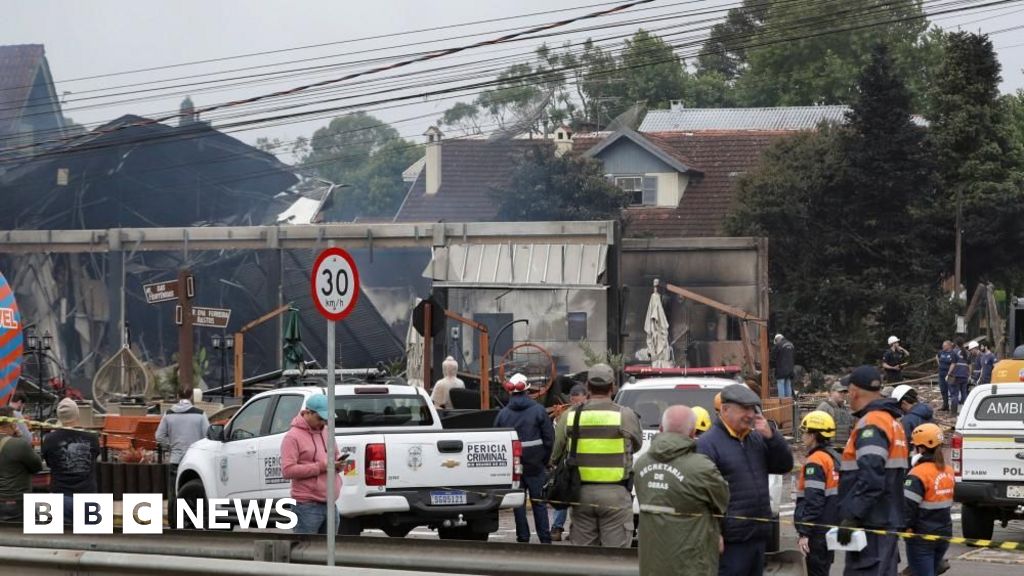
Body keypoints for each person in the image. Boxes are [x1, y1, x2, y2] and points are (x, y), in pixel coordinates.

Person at [697, 384, 794, 576]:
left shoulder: (756, 438)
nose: (750, 415)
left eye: (753, 409)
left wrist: (772, 437)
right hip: (730, 541)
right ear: (724, 409)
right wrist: (714, 532)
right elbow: (702, 496)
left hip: (757, 536)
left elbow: (784, 465)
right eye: (744, 409)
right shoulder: (708, 444)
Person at [549, 363, 642, 548]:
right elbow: (637, 445)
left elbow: (556, 454)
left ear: (588, 387)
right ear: (613, 387)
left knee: (585, 560)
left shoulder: (571, 416)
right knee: (615, 559)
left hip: (581, 494)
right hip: (615, 495)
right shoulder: (625, 415)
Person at [634, 405, 730, 576]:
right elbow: (723, 500)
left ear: (661, 429)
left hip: (651, 564)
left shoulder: (642, 463)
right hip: (692, 564)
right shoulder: (702, 468)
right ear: (693, 433)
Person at [836, 366, 908, 576]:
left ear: (854, 392)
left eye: (848, 390)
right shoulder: (892, 422)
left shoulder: (871, 424)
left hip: (872, 523)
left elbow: (871, 477)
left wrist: (853, 516)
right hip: (885, 520)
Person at [494, 373, 554, 544]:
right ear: (526, 390)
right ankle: (544, 539)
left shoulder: (503, 414)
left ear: (510, 392)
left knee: (518, 504)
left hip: (514, 468)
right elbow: (549, 438)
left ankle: (523, 537)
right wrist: (544, 460)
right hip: (536, 465)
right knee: (539, 502)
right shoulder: (538, 411)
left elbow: (497, 442)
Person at [281, 393, 343, 534]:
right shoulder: (292, 437)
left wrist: (339, 465)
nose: (323, 422)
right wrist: (321, 467)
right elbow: (288, 470)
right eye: (320, 418)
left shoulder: (327, 432)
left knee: (328, 553)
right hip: (306, 506)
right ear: (307, 413)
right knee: (305, 551)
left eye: (326, 419)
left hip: (330, 503)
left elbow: (335, 456)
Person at [904, 423, 954, 576]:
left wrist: (902, 528)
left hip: (922, 536)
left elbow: (908, 507)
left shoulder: (918, 473)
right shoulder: (948, 470)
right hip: (944, 532)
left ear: (921, 448)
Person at [795, 411, 840, 576]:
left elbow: (814, 500)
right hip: (829, 526)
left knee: (816, 571)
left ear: (814, 435)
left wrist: (805, 532)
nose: (803, 435)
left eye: (805, 431)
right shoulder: (833, 457)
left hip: (817, 531)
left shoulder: (816, 461)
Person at [41, 399, 100, 517]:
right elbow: (94, 457)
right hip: (87, 495)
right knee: (90, 535)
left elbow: (48, 463)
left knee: (58, 535)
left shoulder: (50, 439)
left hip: (60, 495)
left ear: (58, 416)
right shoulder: (92, 437)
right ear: (77, 414)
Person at [551, 383, 587, 542]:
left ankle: (557, 528)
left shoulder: (567, 416)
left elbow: (559, 440)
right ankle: (574, 530)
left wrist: (554, 460)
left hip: (569, 462)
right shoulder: (593, 413)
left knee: (563, 492)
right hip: (589, 464)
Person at [0, 405, 43, 522]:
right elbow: (37, 466)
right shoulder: (19, 445)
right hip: (16, 501)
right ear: (12, 423)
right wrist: (20, 439)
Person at [155, 391, 210, 464]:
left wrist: (171, 446)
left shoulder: (168, 414)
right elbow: (208, 436)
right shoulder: (200, 414)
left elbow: (159, 436)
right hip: (195, 459)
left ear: (177, 396)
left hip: (175, 459)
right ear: (192, 397)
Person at [816, 379, 853, 446]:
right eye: (840, 392)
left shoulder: (845, 409)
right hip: (829, 447)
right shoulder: (824, 407)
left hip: (843, 447)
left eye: (844, 392)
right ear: (832, 392)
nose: (843, 394)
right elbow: (816, 429)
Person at [946, 340, 970, 415]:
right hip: (964, 375)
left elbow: (953, 363)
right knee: (964, 393)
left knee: (954, 394)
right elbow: (970, 364)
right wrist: (969, 374)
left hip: (955, 376)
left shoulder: (954, 351)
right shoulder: (967, 352)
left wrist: (948, 374)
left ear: (956, 344)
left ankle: (953, 412)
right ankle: (966, 412)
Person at [770, 334, 795, 398]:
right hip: (790, 369)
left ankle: (782, 404)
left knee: (781, 384)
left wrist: (771, 365)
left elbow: (773, 357)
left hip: (781, 369)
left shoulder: (778, 345)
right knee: (788, 385)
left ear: (777, 340)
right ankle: (788, 404)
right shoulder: (791, 345)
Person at [935, 341, 957, 412]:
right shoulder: (941, 352)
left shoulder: (952, 354)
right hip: (941, 374)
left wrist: (949, 372)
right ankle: (945, 406)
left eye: (944, 346)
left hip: (950, 375)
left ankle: (953, 408)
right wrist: (939, 364)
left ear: (949, 346)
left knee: (952, 391)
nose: (943, 347)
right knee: (943, 390)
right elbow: (936, 356)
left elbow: (953, 363)